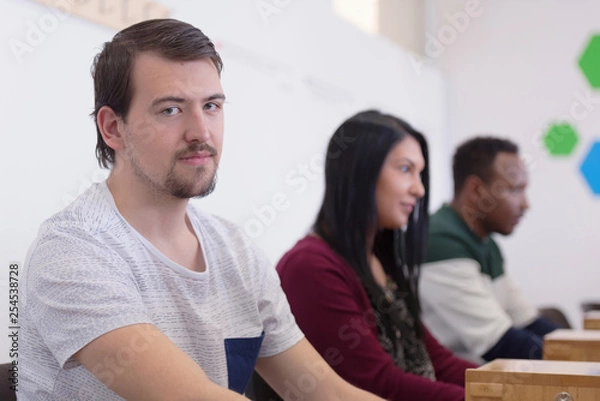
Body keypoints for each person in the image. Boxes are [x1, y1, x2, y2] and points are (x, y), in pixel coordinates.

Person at [19, 18, 387, 401]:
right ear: (113, 128)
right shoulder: (71, 251)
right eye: (170, 110)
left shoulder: (237, 251)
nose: (201, 131)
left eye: (211, 106)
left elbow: (326, 393)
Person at [272, 110, 477, 401]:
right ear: (360, 173)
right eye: (405, 169)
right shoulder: (310, 267)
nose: (419, 189)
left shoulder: (379, 261)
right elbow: (380, 386)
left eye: (420, 173)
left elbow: (438, 362)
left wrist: (507, 387)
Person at [419, 136, 559, 364]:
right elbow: (501, 344)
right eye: (515, 190)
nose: (525, 204)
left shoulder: (486, 244)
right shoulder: (439, 241)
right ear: (476, 190)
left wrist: (579, 348)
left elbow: (529, 322)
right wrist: (575, 360)